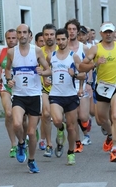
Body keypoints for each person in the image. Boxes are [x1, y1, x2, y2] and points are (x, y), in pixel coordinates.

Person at [80, 22, 116, 162]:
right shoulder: (95, 49)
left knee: (115, 115)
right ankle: (110, 134)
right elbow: (81, 66)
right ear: (101, 33)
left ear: (114, 33)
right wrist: (95, 64)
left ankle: (114, 149)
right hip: (102, 86)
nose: (108, 34)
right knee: (101, 119)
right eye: (105, 32)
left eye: (110, 32)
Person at [4, 24, 51, 173]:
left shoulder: (36, 51)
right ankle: (21, 143)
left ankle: (31, 160)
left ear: (29, 35)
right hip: (19, 95)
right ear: (17, 35)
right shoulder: (12, 52)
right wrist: (9, 79)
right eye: (19, 33)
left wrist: (42, 73)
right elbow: (7, 69)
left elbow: (48, 69)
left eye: (25, 32)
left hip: (34, 95)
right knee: (17, 124)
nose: (22, 35)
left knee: (31, 132)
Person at [48, 28, 85, 165]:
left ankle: (70, 152)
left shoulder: (73, 56)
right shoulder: (51, 56)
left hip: (70, 95)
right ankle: (60, 129)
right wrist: (44, 75)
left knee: (71, 127)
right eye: (58, 39)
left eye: (63, 39)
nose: (60, 42)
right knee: (57, 120)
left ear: (67, 39)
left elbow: (83, 74)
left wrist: (75, 76)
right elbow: (47, 70)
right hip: (55, 94)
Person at [65, 19, 92, 151]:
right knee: (73, 117)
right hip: (68, 85)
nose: (71, 32)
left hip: (82, 82)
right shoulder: (63, 48)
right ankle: (77, 142)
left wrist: (88, 83)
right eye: (69, 29)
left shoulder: (84, 48)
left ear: (77, 31)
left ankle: (87, 124)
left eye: (73, 29)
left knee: (83, 116)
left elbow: (89, 67)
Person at [0, 29, 19, 158]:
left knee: (22, 118)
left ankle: (24, 137)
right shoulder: (0, 53)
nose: (11, 40)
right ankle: (13, 144)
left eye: (13, 38)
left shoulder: (23, 52)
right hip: (5, 87)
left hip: (21, 88)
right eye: (8, 38)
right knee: (9, 114)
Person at [38, 24, 57, 157]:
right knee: (45, 114)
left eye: (51, 34)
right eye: (46, 35)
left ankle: (61, 130)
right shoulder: (38, 51)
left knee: (59, 119)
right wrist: (43, 76)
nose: (49, 37)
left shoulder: (61, 50)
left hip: (61, 89)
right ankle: (49, 144)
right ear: (43, 36)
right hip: (44, 88)